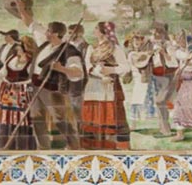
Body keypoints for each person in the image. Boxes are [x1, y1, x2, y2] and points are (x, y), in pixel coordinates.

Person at [30, 21, 85, 149]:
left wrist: (62, 69)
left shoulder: (69, 51)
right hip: (36, 87)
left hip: (52, 90)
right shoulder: (44, 46)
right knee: (36, 119)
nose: (45, 33)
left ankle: (75, 147)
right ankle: (43, 148)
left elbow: (78, 72)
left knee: (60, 121)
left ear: (54, 34)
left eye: (48, 31)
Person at [80, 22, 133, 150]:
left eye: (96, 28)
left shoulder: (115, 48)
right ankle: (94, 146)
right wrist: (99, 73)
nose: (94, 31)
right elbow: (87, 66)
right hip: (94, 85)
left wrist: (110, 71)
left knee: (112, 116)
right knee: (94, 116)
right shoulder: (91, 48)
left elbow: (125, 67)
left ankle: (115, 147)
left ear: (103, 32)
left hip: (110, 85)